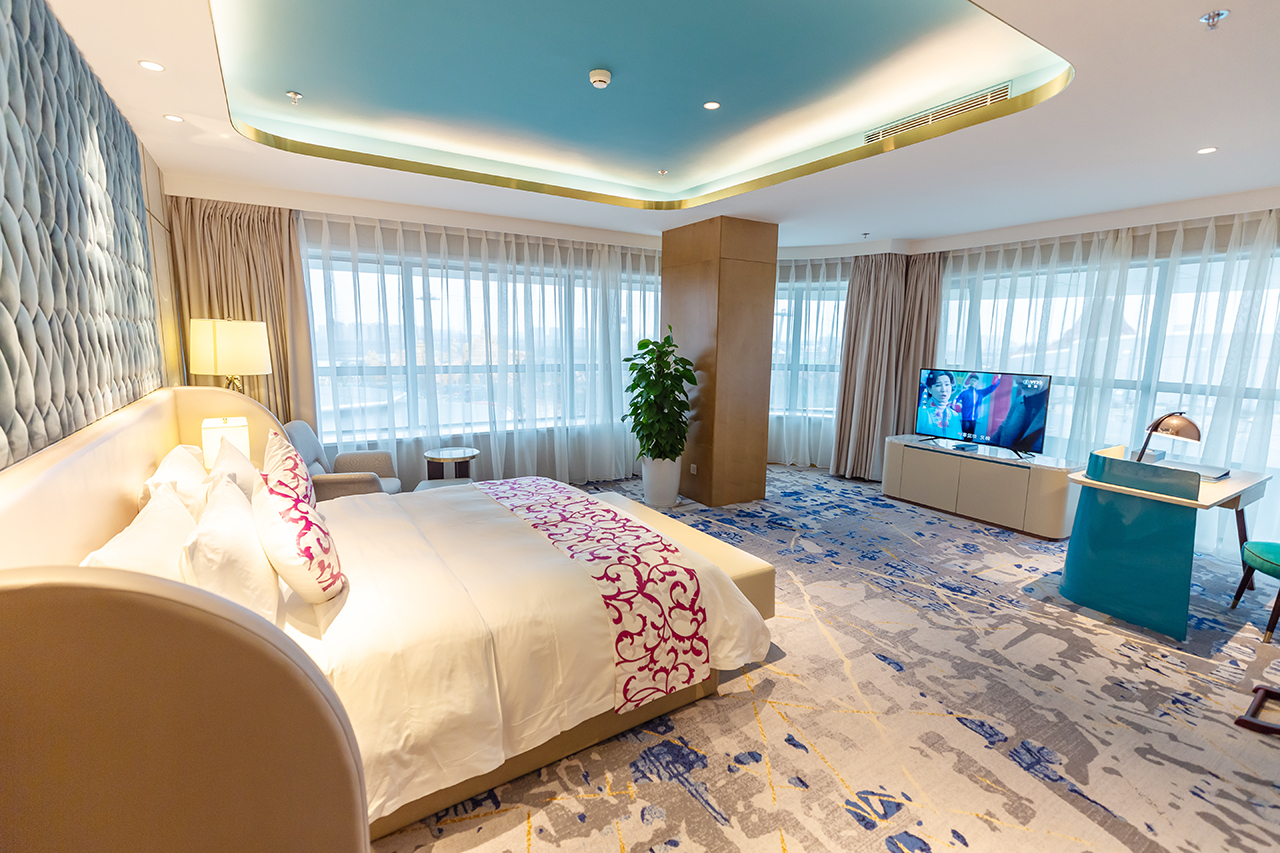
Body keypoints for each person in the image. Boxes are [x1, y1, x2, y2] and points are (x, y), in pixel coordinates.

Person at [991, 375, 1050, 453]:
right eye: (1017, 376)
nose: (1018, 381)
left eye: (1027, 375)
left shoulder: (1054, 410)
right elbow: (1000, 434)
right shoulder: (1018, 401)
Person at [916, 370, 962, 439]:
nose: (944, 389)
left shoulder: (955, 415)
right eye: (938, 385)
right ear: (929, 389)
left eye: (947, 384)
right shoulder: (921, 413)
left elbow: (959, 440)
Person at [956, 373, 1001, 439]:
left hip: (974, 419)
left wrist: (997, 379)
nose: (973, 382)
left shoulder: (980, 393)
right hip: (965, 419)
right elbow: (955, 400)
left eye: (975, 381)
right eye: (972, 380)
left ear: (977, 382)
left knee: (971, 437)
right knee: (965, 437)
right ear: (970, 381)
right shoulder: (964, 392)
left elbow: (991, 388)